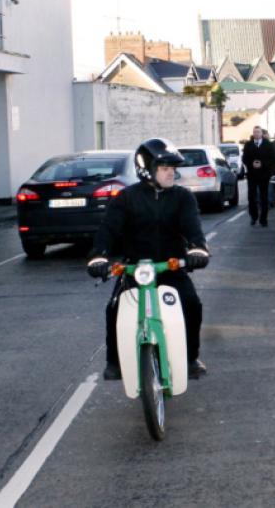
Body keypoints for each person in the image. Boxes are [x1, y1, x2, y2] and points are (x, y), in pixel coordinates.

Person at [86, 138, 210, 381]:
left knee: (192, 304)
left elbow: (193, 227)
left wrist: (198, 249)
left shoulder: (182, 197)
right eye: (165, 168)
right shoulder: (125, 198)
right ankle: (115, 362)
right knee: (114, 308)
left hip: (171, 267)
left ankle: (191, 358)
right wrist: (98, 256)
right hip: (135, 269)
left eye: (173, 169)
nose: (171, 173)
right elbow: (108, 230)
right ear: (147, 170)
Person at [242, 126, 275, 226]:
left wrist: (262, 164)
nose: (256, 134)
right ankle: (253, 216)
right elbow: (244, 158)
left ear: (261, 133)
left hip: (264, 175)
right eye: (255, 132)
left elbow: (272, 159)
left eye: (258, 132)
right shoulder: (248, 144)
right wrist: (251, 164)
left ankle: (263, 219)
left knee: (263, 197)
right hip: (252, 174)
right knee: (251, 197)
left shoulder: (268, 144)